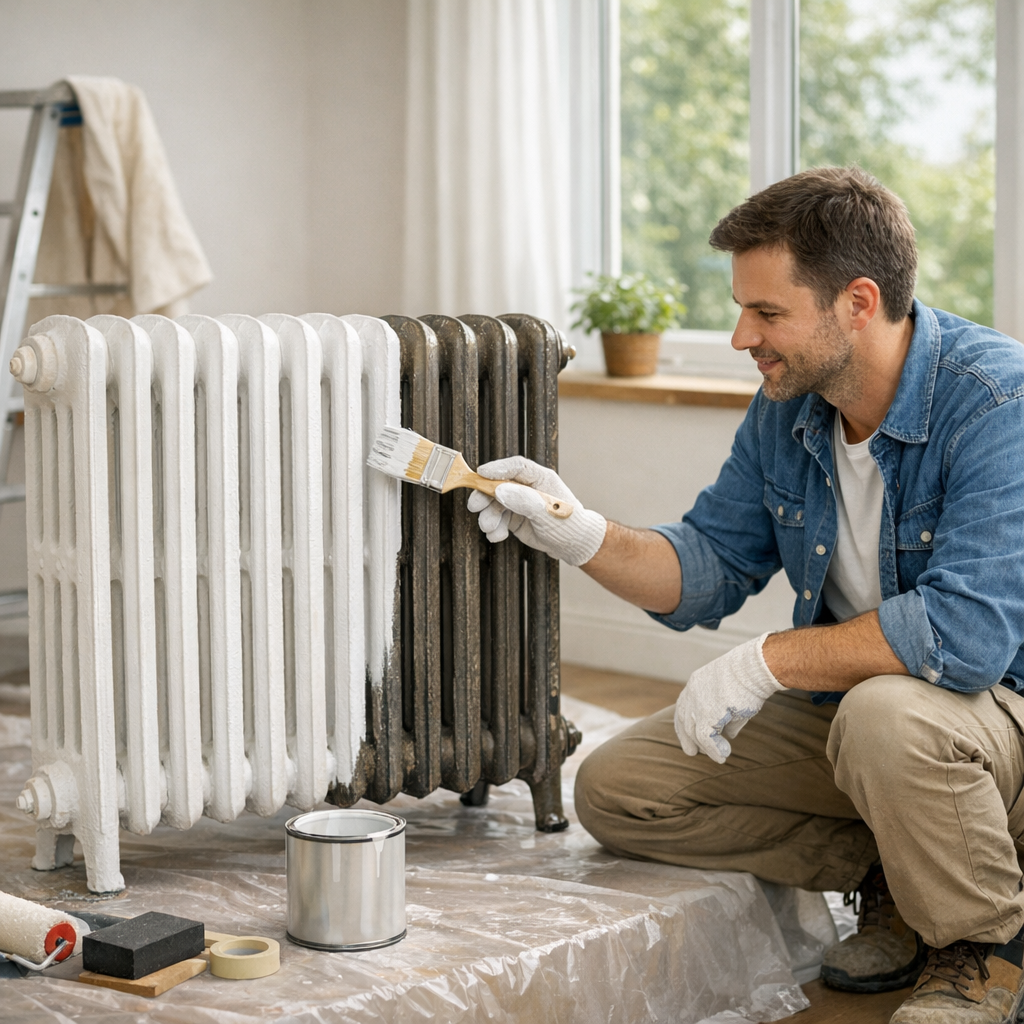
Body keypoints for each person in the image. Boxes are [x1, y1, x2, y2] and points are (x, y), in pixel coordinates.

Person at [467, 166, 1024, 1024]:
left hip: (990, 713)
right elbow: (710, 563)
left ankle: (985, 947)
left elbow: (966, 635)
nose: (740, 336)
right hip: (865, 715)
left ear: (858, 302)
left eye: (766, 313)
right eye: (742, 308)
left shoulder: (997, 401)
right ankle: (896, 875)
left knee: (886, 715)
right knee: (618, 789)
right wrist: (576, 530)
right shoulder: (791, 406)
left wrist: (772, 659)